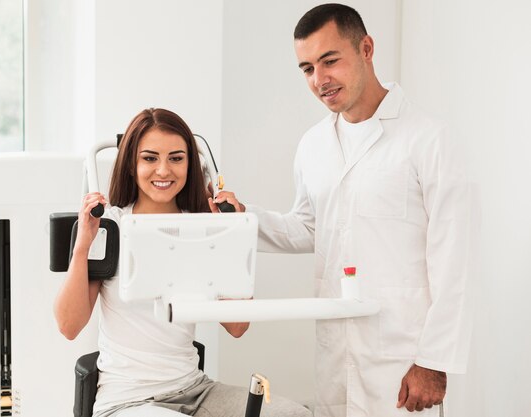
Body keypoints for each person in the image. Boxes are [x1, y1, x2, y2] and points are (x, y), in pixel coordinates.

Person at [211, 4, 477, 417]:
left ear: (366, 48)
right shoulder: (313, 145)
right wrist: (245, 218)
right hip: (335, 350)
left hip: (402, 356)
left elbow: (454, 260)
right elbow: (307, 228)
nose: (319, 80)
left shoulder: (429, 140)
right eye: (306, 68)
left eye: (329, 61)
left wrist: (434, 361)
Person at [54, 108, 312, 417]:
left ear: (190, 165)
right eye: (150, 158)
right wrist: (82, 247)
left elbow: (238, 325)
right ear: (131, 165)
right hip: (128, 400)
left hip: (196, 390)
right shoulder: (111, 226)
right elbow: (69, 326)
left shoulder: (201, 230)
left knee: (297, 415)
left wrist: (227, 234)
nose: (163, 171)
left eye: (176, 158)